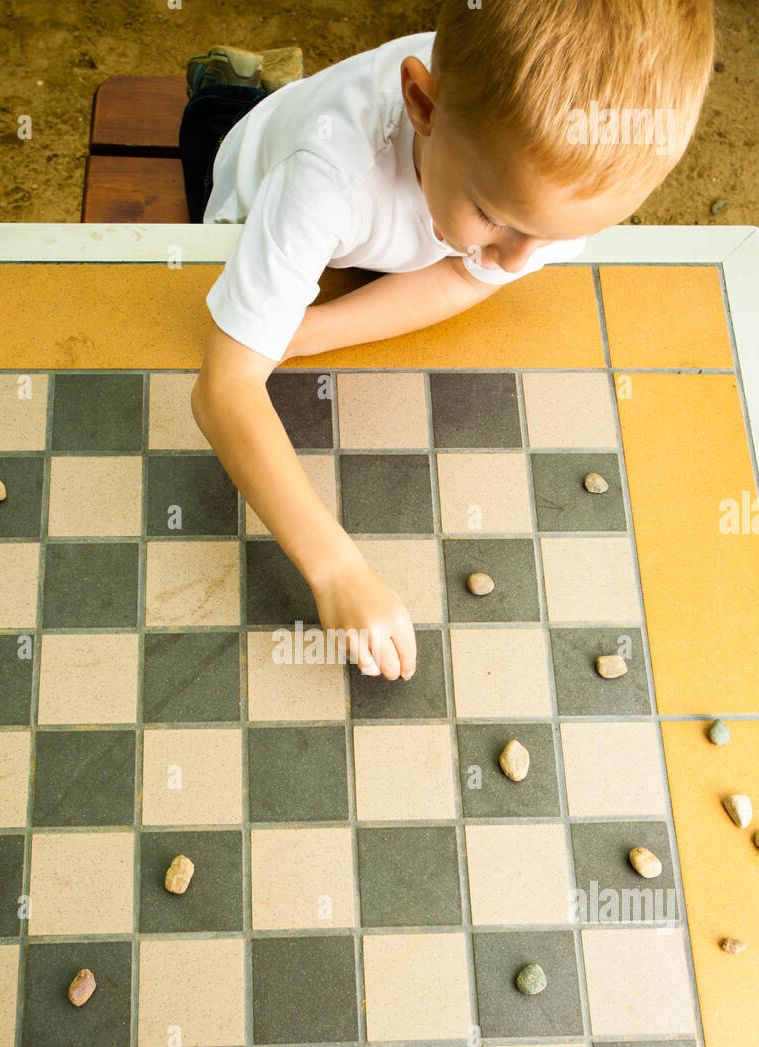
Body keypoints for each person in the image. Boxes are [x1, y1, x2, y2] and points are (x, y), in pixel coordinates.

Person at [180, 0, 715, 680]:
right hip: (256, 195)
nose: (521, 261)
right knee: (217, 137)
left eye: (550, 239)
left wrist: (299, 333)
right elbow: (220, 390)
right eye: (498, 218)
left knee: (407, 243)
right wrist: (338, 569)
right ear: (421, 104)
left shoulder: (550, 172)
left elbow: (469, 275)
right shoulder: (326, 179)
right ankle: (228, 84)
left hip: (380, 228)